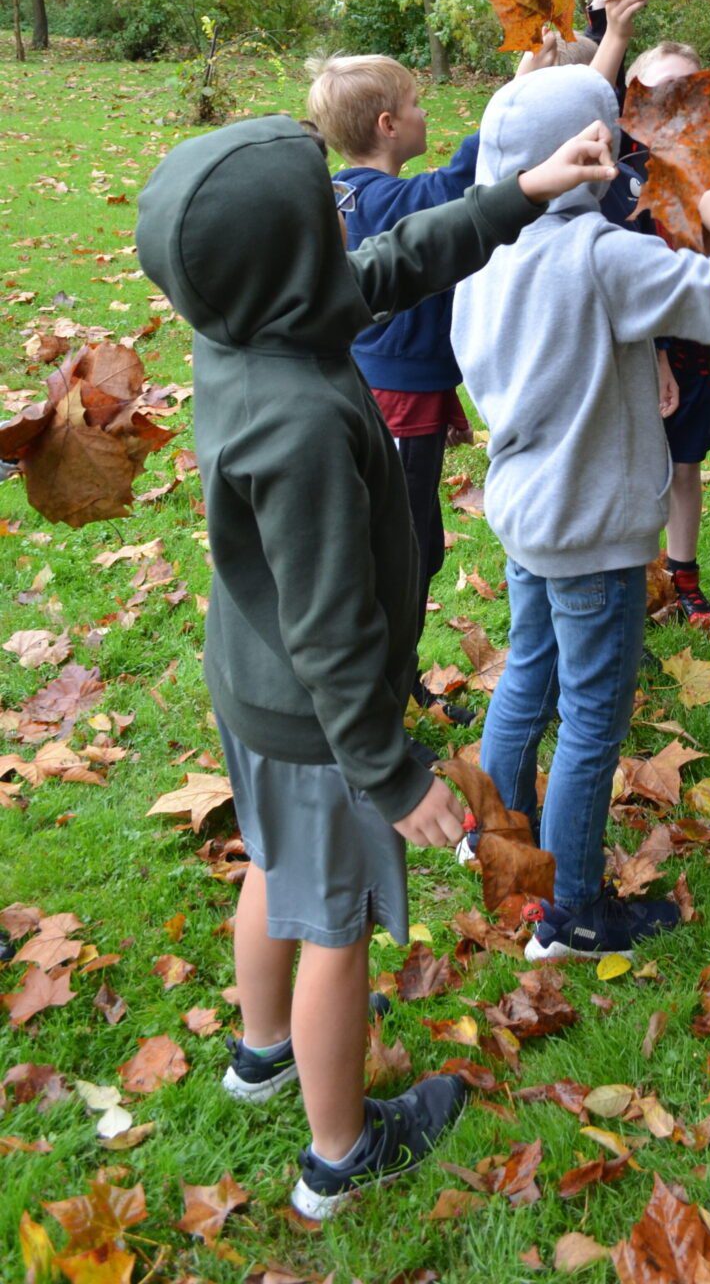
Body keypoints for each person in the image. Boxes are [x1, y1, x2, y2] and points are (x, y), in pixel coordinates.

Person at [135, 110, 614, 1217]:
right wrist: (392, 776)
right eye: (321, 209)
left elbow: (395, 263)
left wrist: (522, 190)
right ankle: (340, 1152)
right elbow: (331, 626)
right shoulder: (296, 417)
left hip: (253, 690)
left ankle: (261, 1054)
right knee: (337, 925)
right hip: (318, 721)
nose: (343, 216)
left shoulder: (254, 323)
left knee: (274, 865)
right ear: (292, 248)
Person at [451, 66, 710, 961]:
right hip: (591, 525)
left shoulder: (481, 250)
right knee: (593, 719)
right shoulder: (600, 257)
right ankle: (576, 914)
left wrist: (635, 360)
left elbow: (558, 350)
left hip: (526, 509)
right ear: (591, 155)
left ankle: (497, 841)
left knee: (528, 672)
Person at [306, 55, 480, 721]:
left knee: (417, 545)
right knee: (400, 559)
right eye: (415, 103)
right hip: (398, 410)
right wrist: (532, 75)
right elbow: (474, 166)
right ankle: (380, 710)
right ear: (387, 125)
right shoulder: (396, 201)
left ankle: (399, 684)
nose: (424, 113)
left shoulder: (345, 194)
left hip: (402, 396)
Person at [620, 39, 710, 632]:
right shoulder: (618, 164)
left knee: (685, 465)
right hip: (634, 346)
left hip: (693, 348)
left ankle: (682, 577)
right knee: (635, 465)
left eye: (689, 88)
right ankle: (636, 580)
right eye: (660, 89)